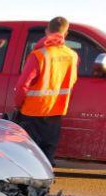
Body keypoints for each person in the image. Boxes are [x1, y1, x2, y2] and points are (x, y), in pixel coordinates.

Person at [14, 16, 79, 165]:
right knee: (46, 157)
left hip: (32, 113)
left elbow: (23, 85)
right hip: (55, 113)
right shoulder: (72, 56)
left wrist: (18, 105)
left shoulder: (39, 55)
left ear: (46, 31)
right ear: (66, 34)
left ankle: (24, 186)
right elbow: (72, 82)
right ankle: (43, 186)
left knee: (27, 156)